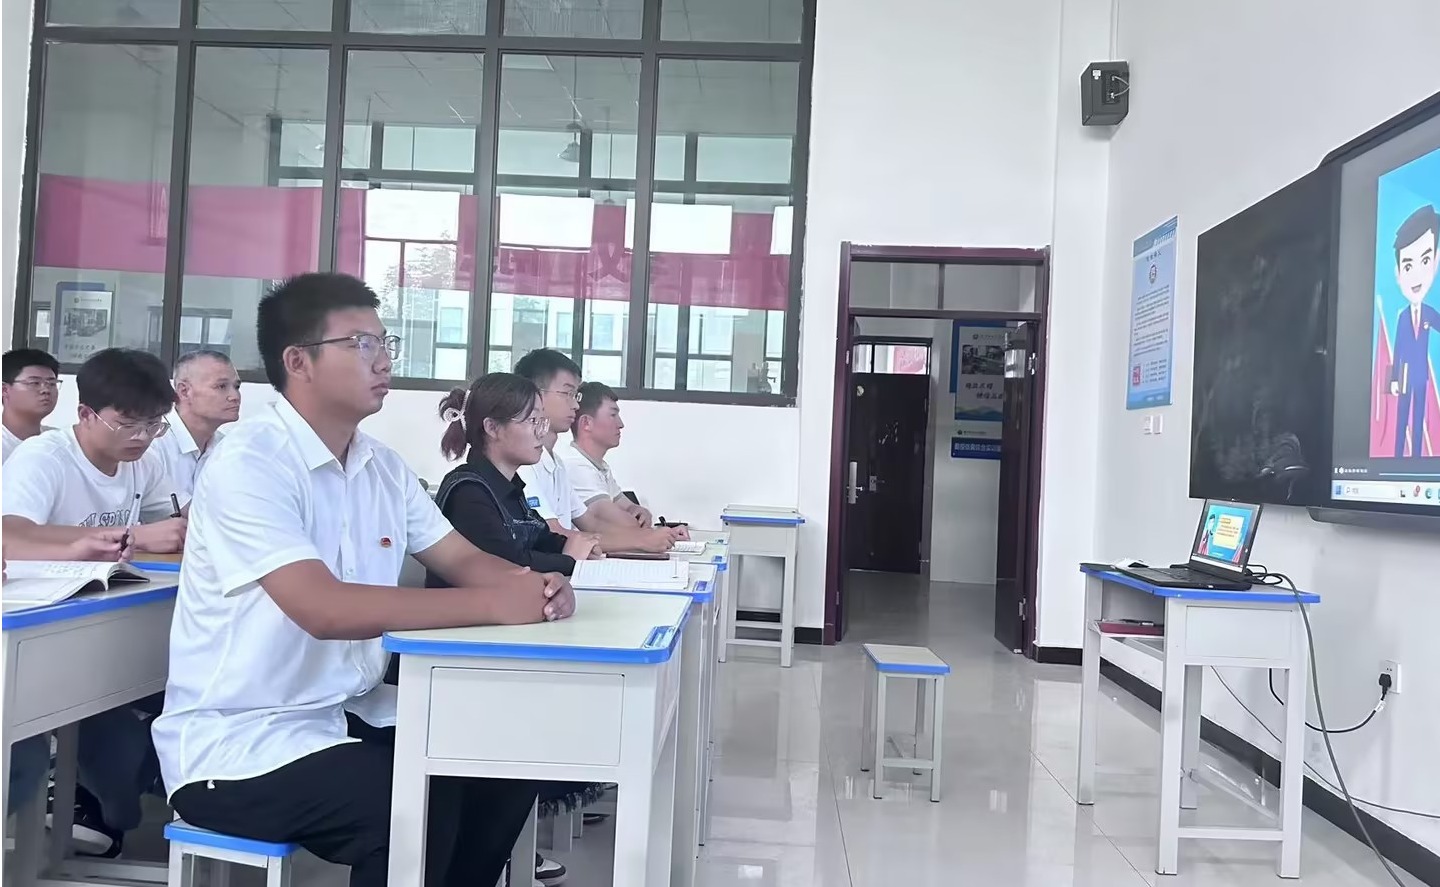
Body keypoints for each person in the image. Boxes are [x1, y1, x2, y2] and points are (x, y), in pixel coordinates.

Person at [152, 272, 576, 887]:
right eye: (361, 344)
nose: (383, 360)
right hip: (241, 742)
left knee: (504, 758)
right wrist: (498, 603)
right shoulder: (248, 461)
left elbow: (461, 558)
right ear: (298, 361)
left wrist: (535, 584)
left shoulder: (382, 466)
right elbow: (324, 610)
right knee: (414, 802)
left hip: (347, 711)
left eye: (385, 343)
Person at [2, 347, 186, 856]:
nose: (142, 437)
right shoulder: (45, 458)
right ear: (86, 413)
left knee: (141, 712)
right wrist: (126, 536)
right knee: (95, 740)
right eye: (128, 424)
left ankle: (107, 809)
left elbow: (179, 518)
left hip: (103, 622)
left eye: (154, 424)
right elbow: (10, 534)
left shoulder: (143, 462)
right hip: (38, 630)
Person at [427, 372, 603, 886]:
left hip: (504, 643)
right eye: (532, 421)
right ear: (493, 428)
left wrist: (563, 558)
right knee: (515, 769)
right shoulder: (467, 490)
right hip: (461, 659)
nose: (542, 432)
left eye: (542, 421)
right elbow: (507, 564)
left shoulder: (510, 490)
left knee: (522, 771)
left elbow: (541, 546)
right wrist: (566, 560)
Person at [513, 349, 682, 553]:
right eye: (567, 394)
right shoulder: (525, 465)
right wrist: (641, 540)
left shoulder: (557, 464)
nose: (575, 405)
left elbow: (591, 524)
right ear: (535, 395)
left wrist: (649, 536)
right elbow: (554, 534)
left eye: (576, 395)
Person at [560, 381, 655, 527]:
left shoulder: (600, 466)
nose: (621, 424)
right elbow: (621, 524)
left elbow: (629, 507)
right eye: (613, 415)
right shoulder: (575, 465)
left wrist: (641, 512)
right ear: (586, 423)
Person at [1388, 204, 1440, 458]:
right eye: (1408, 266)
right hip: (1406, 378)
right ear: (1398, 273)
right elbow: (1397, 350)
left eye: (1425, 260)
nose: (1417, 274)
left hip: (1421, 378)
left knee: (1418, 419)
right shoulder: (1402, 317)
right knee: (1402, 419)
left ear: (1436, 261)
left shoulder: (1430, 313)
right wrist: (1393, 379)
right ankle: (1398, 456)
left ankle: (1416, 458)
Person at [152, 349, 241, 497]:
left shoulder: (227, 447)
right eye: (221, 386)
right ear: (184, 391)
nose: (235, 396)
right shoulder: (153, 445)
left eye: (236, 387)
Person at [2, 348, 61, 461]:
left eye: (52, 383)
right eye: (34, 383)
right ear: (4, 390)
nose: (46, 390)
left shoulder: (58, 441)